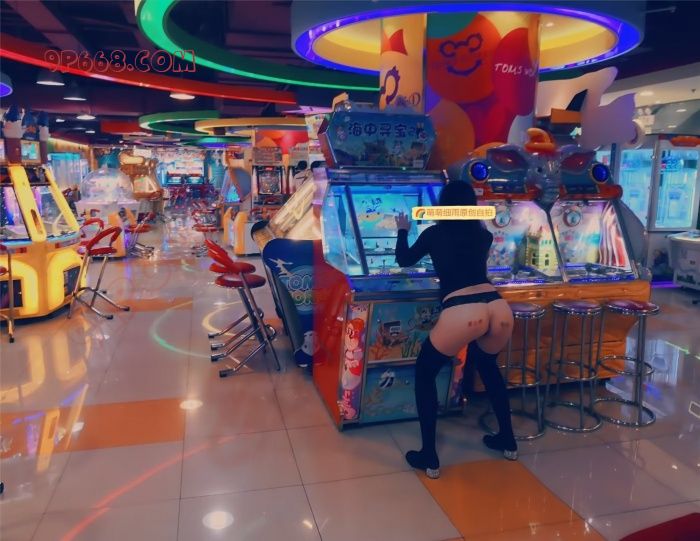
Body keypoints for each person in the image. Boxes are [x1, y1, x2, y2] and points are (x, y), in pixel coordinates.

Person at [394, 180, 517, 479]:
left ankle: (429, 456)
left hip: (464, 310)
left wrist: (402, 230)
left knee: (425, 372)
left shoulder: (433, 233)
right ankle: (508, 440)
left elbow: (404, 260)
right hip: (497, 308)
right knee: (489, 368)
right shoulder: (483, 235)